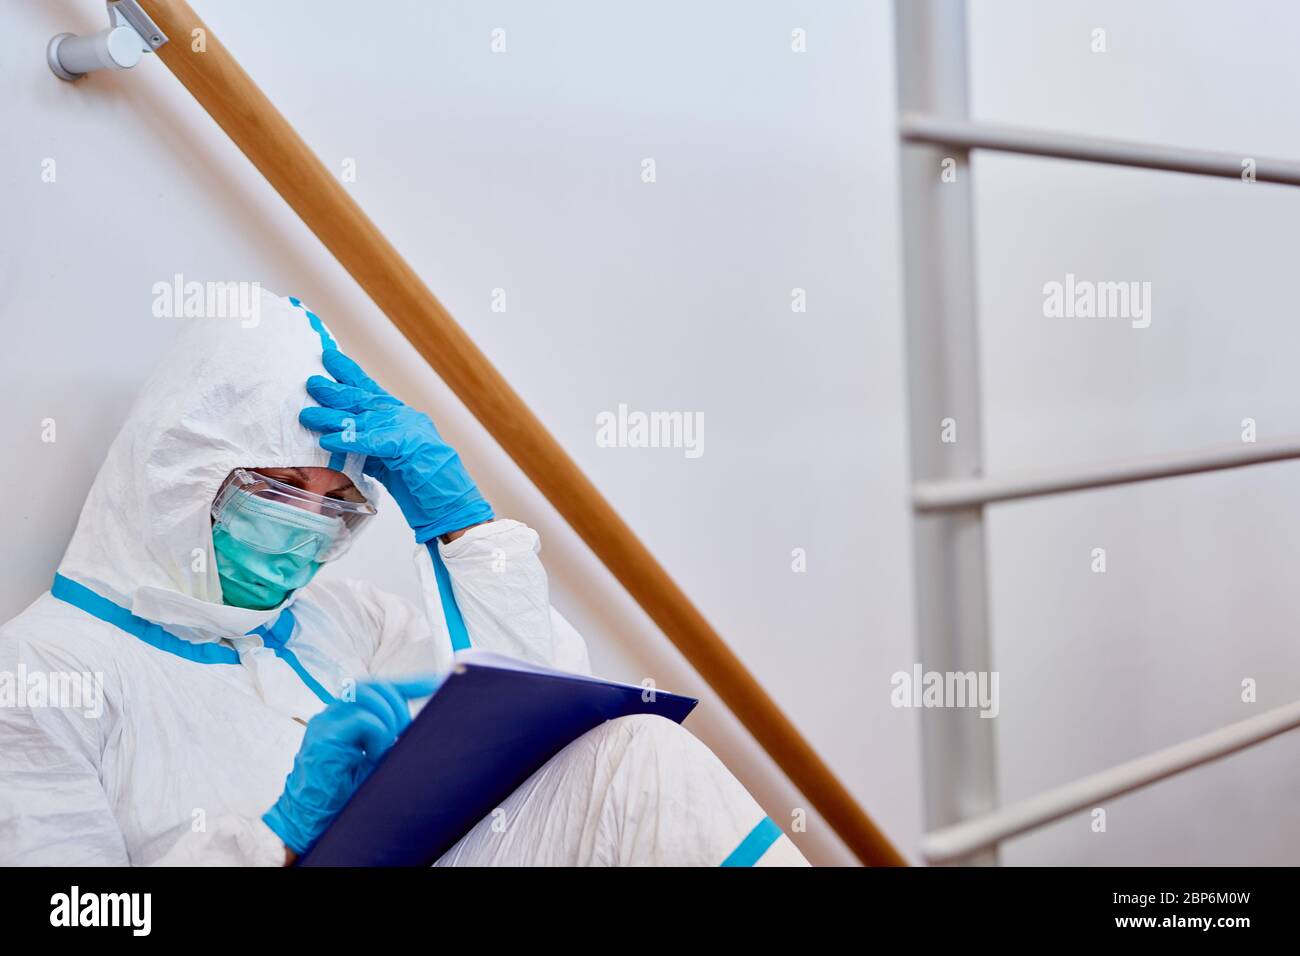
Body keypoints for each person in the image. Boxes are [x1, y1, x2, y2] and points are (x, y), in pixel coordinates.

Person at [0, 290, 808, 866]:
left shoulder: (334, 623)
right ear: (174, 472)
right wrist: (277, 835)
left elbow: (549, 721)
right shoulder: (41, 673)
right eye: (282, 488)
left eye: (337, 503)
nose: (306, 528)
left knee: (636, 755)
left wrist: (463, 527)